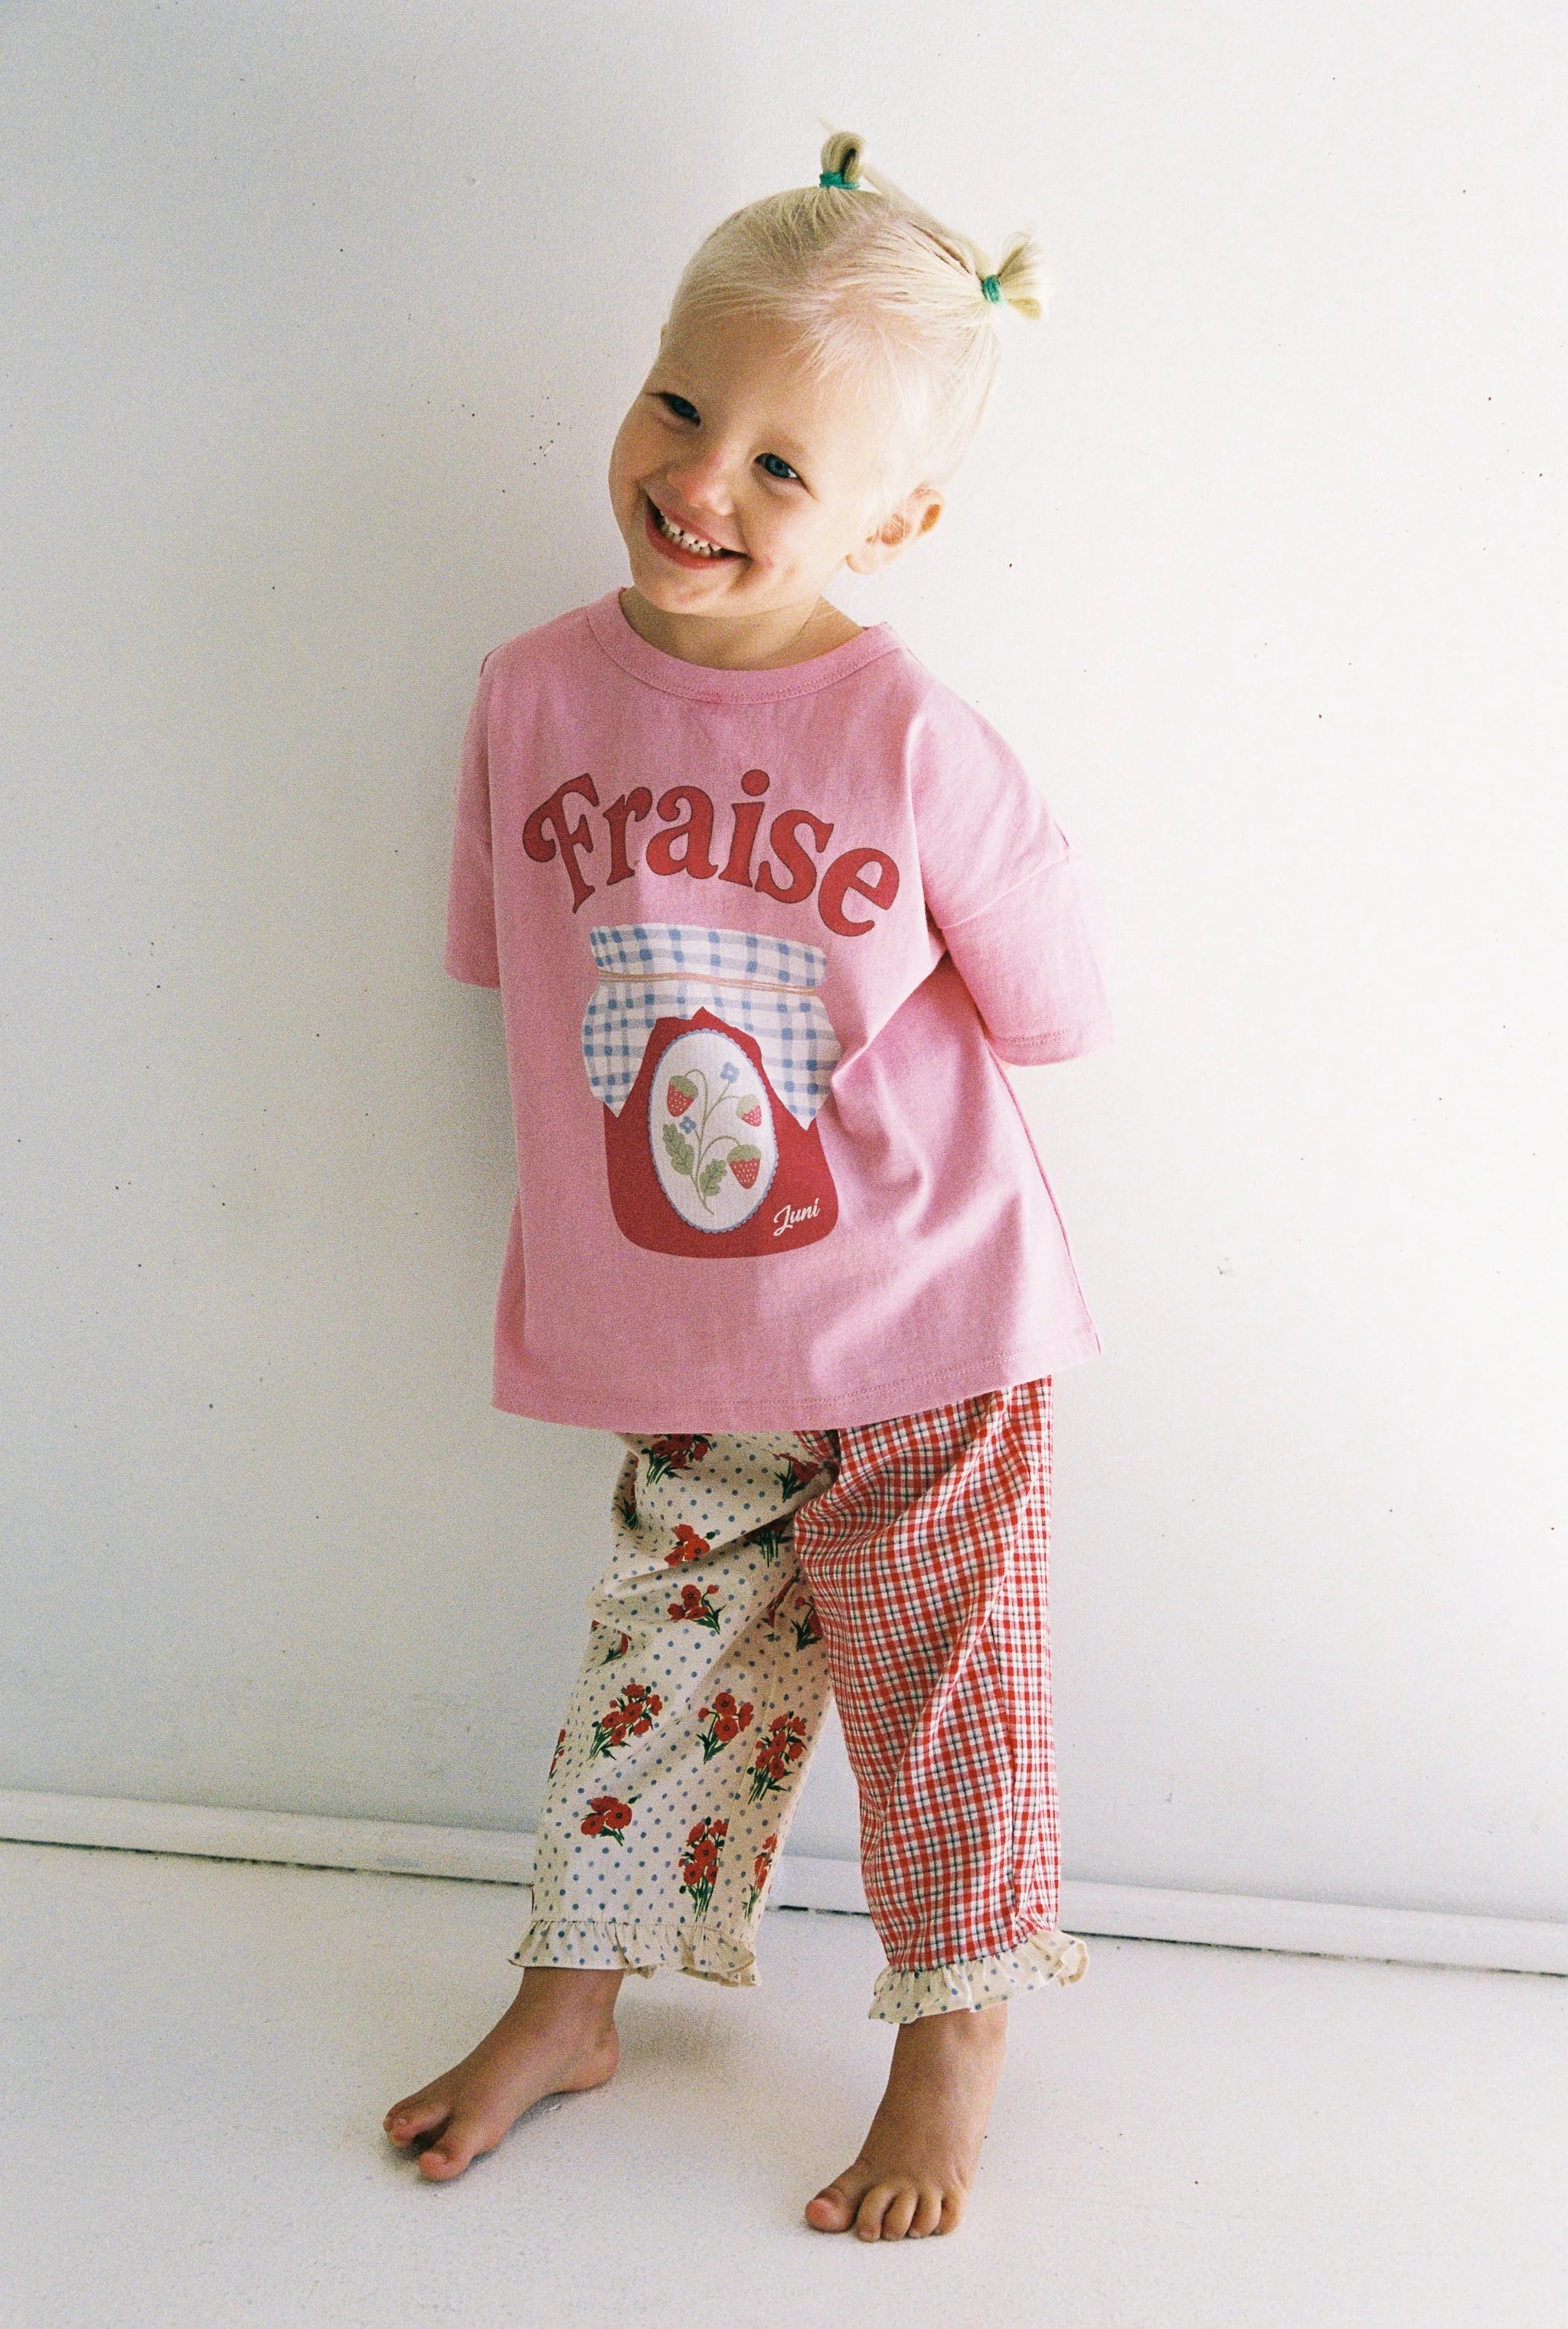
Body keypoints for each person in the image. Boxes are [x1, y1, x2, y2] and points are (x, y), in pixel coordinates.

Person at [384, 127, 1113, 2242]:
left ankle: (951, 2038)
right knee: (656, 1675)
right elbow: (505, 972)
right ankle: (572, 1994)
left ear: (900, 518)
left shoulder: (908, 732)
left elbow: (1055, 1007)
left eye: (787, 467)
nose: (704, 482)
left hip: (928, 1321)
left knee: (936, 1697)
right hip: (691, 1336)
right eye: (685, 407)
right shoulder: (529, 696)